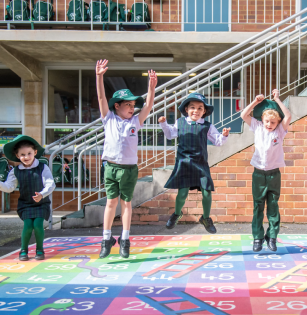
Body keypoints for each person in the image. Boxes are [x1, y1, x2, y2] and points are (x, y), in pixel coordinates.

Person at [96, 59, 158, 258]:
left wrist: (151, 86)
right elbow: (100, 98)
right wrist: (99, 76)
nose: (132, 108)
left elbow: (148, 105)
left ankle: (125, 239)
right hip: (110, 167)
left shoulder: (135, 121)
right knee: (111, 203)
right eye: (128, 105)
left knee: (126, 204)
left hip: (129, 169)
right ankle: (106, 238)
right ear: (117, 106)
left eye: (133, 105)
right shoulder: (109, 119)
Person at [159, 93, 230, 234]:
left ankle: (205, 218)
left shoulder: (207, 126)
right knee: (182, 193)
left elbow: (217, 141)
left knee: (207, 192)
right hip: (184, 162)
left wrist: (224, 135)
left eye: (200, 108)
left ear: (204, 112)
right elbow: (170, 134)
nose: (196, 111)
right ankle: (177, 213)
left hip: (200, 163)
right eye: (192, 107)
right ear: (186, 109)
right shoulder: (180, 122)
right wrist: (163, 123)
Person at [0, 135, 54, 261]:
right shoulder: (15, 171)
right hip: (26, 204)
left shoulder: (42, 167)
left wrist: (42, 194)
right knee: (28, 225)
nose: (26, 157)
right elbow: (9, 187)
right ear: (17, 156)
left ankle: (40, 249)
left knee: (38, 224)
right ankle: (24, 250)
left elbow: (51, 184)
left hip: (41, 202)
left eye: (29, 153)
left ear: (35, 152)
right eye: (22, 154)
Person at [240, 89, 291, 252]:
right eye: (267, 121)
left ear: (277, 123)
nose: (269, 124)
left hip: (274, 173)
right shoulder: (258, 127)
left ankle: (272, 236)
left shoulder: (280, 132)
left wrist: (277, 99)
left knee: (273, 206)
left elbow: (288, 116)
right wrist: (255, 102)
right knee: (258, 206)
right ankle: (257, 237)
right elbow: (243, 115)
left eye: (273, 122)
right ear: (262, 119)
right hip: (259, 173)